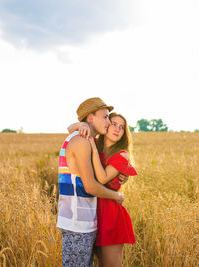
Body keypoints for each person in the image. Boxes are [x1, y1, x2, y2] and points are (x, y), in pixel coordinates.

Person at [57, 97, 127, 267]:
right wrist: (117, 195)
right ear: (90, 118)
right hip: (77, 223)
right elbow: (90, 186)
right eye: (105, 117)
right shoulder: (82, 142)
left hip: (80, 221)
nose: (109, 122)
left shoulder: (83, 138)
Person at [69, 112, 137, 267]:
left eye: (122, 127)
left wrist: (93, 149)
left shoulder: (122, 154)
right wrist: (82, 125)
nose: (117, 129)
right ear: (106, 124)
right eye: (114, 124)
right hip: (91, 213)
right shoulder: (94, 143)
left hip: (110, 215)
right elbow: (70, 128)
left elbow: (102, 178)